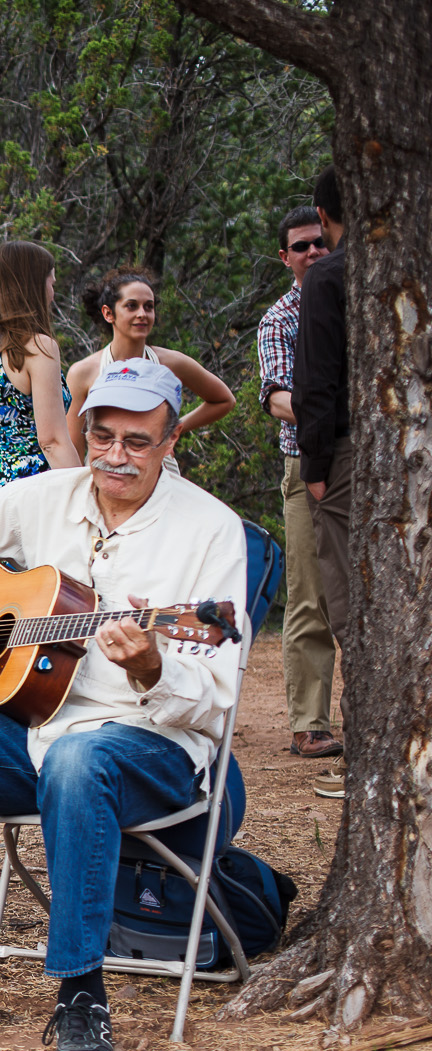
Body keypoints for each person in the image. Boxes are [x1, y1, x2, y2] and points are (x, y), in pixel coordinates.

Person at [0, 361, 246, 1051]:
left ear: (171, 440)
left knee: (79, 759)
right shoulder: (46, 496)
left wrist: (150, 667)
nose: (113, 456)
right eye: (100, 435)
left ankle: (81, 993)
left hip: (151, 742)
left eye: (136, 441)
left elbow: (216, 694)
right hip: (35, 729)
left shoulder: (212, 532)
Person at [256, 204, 340, 761]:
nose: (313, 252)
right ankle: (310, 722)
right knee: (310, 595)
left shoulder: (358, 295)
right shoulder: (279, 319)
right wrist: (326, 415)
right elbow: (277, 399)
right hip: (308, 464)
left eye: (319, 242)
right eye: (301, 246)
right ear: (285, 257)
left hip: (365, 465)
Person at [293, 168, 350, 801]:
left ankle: (375, 753)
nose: (313, 253)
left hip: (346, 457)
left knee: (351, 606)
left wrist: (315, 470)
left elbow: (316, 381)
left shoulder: (330, 279)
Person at [65, 266, 234, 460]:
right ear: (108, 313)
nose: (142, 314)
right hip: (106, 474)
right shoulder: (83, 372)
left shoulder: (170, 363)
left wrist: (170, 431)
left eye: (149, 306)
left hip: (158, 476)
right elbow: (73, 447)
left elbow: (224, 400)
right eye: (131, 306)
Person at [0, 241, 78, 498]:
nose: (52, 292)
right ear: (33, 285)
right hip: (35, 498)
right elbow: (52, 442)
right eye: (51, 282)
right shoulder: (38, 347)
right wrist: (85, 497)